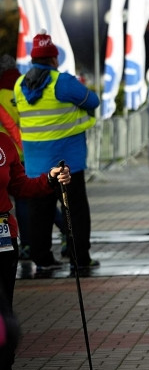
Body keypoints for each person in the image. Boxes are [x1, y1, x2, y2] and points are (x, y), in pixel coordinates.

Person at [14, 30, 100, 271]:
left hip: (35, 165)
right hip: (67, 162)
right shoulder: (62, 82)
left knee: (39, 213)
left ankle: (42, 260)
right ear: (54, 59)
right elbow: (93, 101)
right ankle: (79, 259)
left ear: (33, 59)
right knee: (75, 212)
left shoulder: (19, 85)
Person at [0, 140, 71, 370]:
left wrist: (51, 179)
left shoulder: (4, 143)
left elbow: (20, 186)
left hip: (4, 239)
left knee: (3, 314)